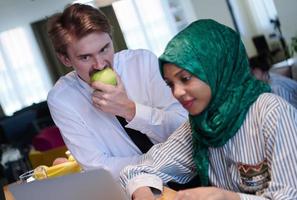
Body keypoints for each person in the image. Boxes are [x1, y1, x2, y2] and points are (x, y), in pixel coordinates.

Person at [120, 19, 297, 199]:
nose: (177, 92)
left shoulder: (271, 112)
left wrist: (229, 198)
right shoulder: (199, 125)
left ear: (216, 68)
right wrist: (143, 192)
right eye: (170, 84)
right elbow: (136, 171)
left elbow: (289, 195)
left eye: (186, 78)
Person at [46, 3, 187, 178]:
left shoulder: (142, 63)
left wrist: (130, 110)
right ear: (65, 59)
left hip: (189, 171)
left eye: (104, 49)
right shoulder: (62, 99)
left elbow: (183, 128)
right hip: (132, 187)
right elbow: (97, 166)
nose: (100, 64)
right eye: (85, 57)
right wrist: (161, 160)